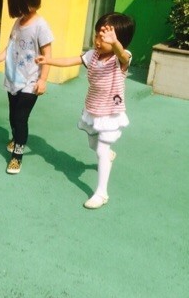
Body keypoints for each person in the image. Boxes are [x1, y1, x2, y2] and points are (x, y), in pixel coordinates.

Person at [36, 12, 136, 209]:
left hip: (110, 112)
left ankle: (101, 193)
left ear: (119, 40)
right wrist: (48, 61)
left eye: (104, 38)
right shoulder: (93, 55)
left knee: (101, 150)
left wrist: (115, 43)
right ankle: (107, 154)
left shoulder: (121, 59)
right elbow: (71, 60)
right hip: (93, 107)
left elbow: (123, 55)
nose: (98, 41)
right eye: (97, 35)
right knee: (93, 144)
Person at [0, 0, 53, 174]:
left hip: (30, 81)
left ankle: (17, 156)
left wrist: (43, 80)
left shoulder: (41, 26)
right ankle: (16, 138)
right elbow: (11, 46)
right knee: (12, 115)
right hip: (13, 78)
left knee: (20, 118)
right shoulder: (18, 22)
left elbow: (47, 55)